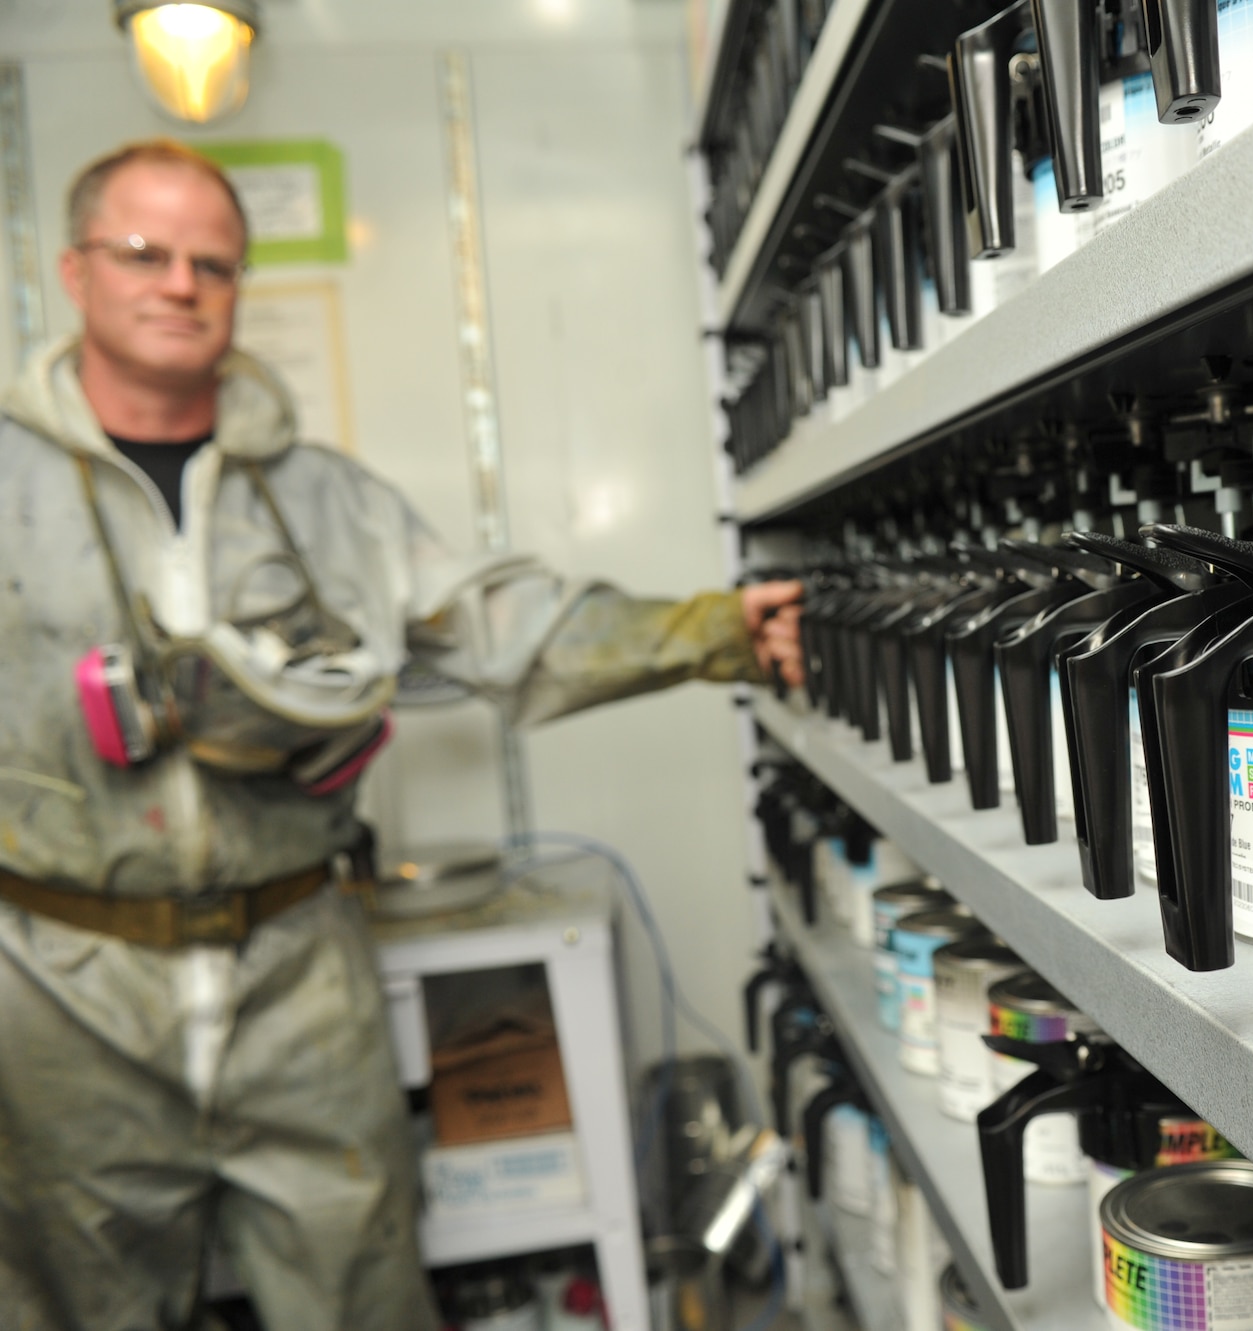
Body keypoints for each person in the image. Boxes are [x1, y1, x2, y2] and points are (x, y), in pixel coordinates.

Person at [0, 139, 802, 1331]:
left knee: (361, 1289)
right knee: (82, 1302)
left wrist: (715, 630)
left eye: (211, 263)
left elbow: (507, 626)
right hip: (61, 987)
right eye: (142, 253)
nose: (179, 284)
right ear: (74, 270)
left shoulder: (323, 497)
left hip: (297, 967)